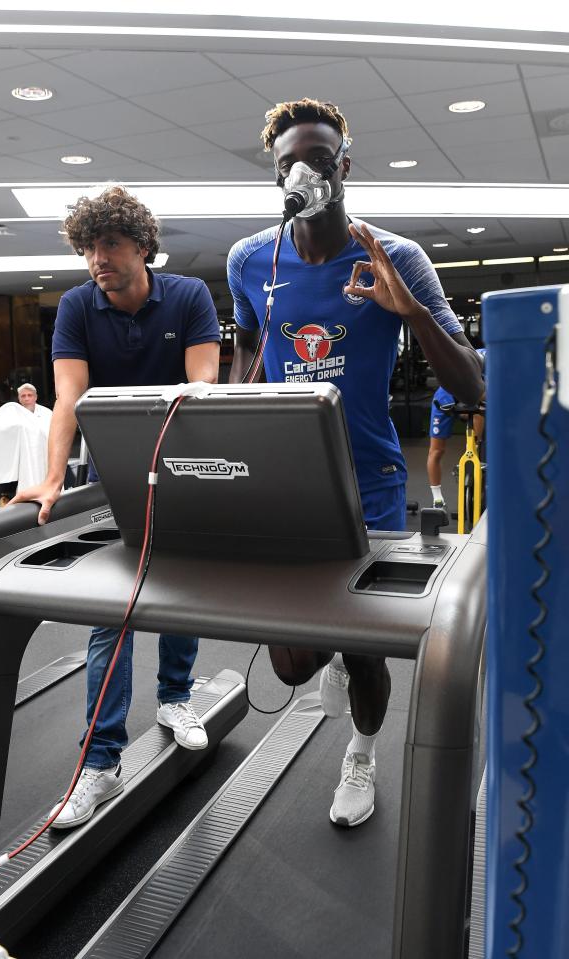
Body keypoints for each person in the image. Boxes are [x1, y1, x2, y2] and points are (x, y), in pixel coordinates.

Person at [227, 98, 484, 828]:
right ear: (277, 174)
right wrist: (231, 410)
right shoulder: (251, 258)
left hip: (367, 482)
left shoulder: (394, 256)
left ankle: (362, 754)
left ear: (343, 166)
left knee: (364, 652)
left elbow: (472, 385)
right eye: (288, 163)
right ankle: (333, 653)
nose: (303, 170)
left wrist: (412, 313)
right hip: (285, 480)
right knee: (293, 662)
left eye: (317, 158)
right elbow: (248, 347)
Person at [11, 185, 221, 828]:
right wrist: (51, 478)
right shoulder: (77, 306)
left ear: (142, 246)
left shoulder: (187, 296)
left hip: (182, 462)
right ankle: (100, 763)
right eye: (87, 246)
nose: (97, 258)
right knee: (116, 612)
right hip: (116, 476)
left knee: (177, 591)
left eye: (109, 243)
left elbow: (202, 383)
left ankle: (175, 698)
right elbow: (68, 397)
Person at [427, 349, 486, 509]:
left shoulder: (488, 364)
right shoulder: (447, 387)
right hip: (447, 399)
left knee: (481, 411)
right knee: (436, 451)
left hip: (477, 394)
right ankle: (437, 498)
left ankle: (475, 448)